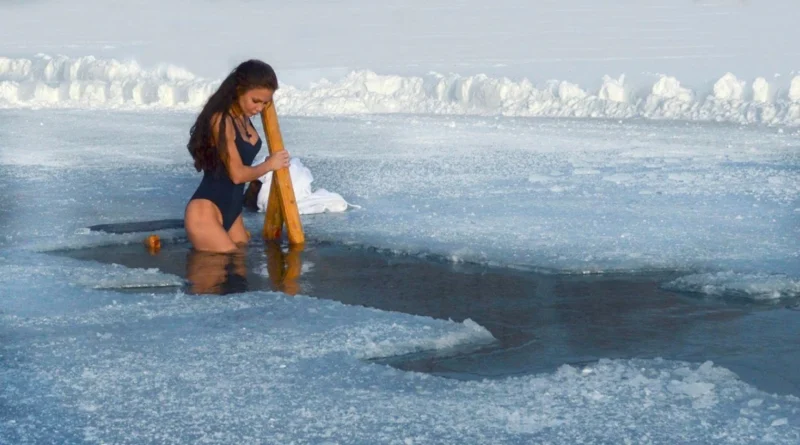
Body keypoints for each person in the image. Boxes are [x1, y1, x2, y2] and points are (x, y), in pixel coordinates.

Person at [184, 60, 290, 253]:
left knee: (239, 273)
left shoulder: (243, 117)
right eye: (255, 101)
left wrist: (268, 165)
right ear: (239, 90)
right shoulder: (221, 120)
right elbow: (237, 175)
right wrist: (269, 165)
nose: (260, 108)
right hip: (205, 212)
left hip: (233, 212)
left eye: (265, 103)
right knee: (218, 271)